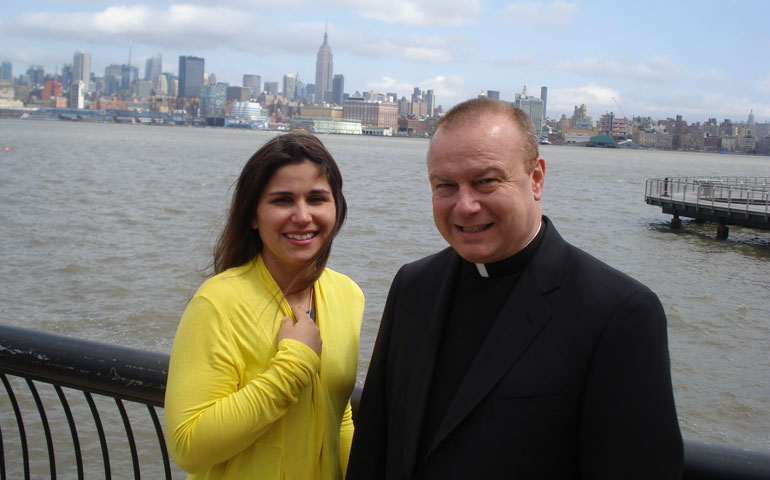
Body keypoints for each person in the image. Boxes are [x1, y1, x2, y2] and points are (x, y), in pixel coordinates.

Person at [347, 98, 683, 479]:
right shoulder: (413, 285)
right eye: (445, 186)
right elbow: (373, 445)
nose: (465, 205)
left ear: (536, 178)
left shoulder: (618, 313)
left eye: (486, 181)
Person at [165, 133, 364, 479]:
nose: (302, 216)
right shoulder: (218, 302)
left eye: (317, 199)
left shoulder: (348, 294)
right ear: (253, 215)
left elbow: (339, 415)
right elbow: (188, 447)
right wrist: (292, 367)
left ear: (337, 208)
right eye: (282, 200)